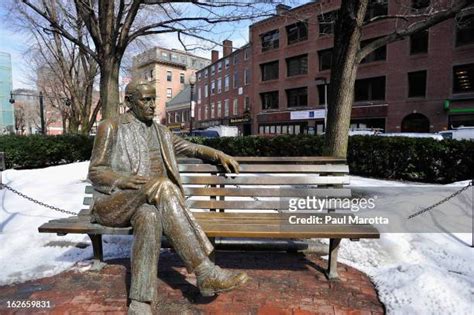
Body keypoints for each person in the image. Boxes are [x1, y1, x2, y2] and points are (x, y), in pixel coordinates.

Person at [88, 80, 248, 315]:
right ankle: (205, 272)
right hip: (116, 203)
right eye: (146, 100)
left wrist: (217, 153)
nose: (153, 105)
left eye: (155, 99)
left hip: (149, 204)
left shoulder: (162, 132)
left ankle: (140, 302)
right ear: (129, 102)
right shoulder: (111, 127)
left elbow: (191, 147)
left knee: (149, 217)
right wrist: (122, 180)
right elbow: (95, 171)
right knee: (163, 185)